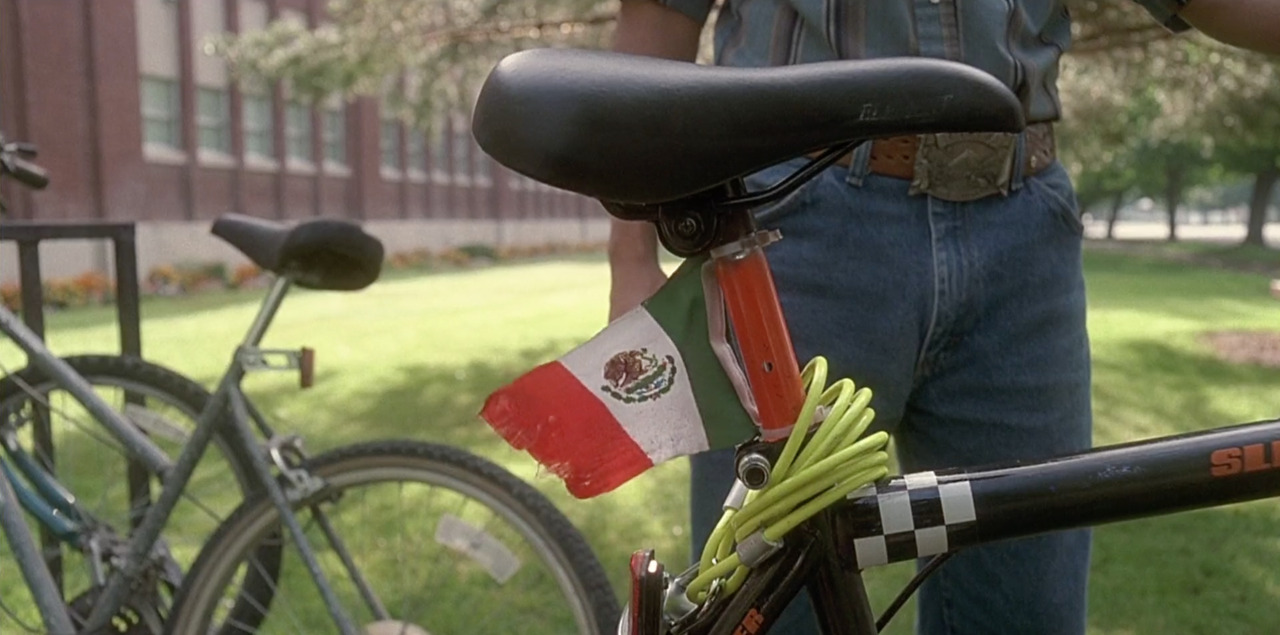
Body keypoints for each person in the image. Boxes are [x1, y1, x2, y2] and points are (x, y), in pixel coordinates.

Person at [605, 1, 1280, 633]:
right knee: (768, 604)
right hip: (793, 228)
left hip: (1023, 241)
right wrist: (631, 256)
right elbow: (659, 17)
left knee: (1027, 605)